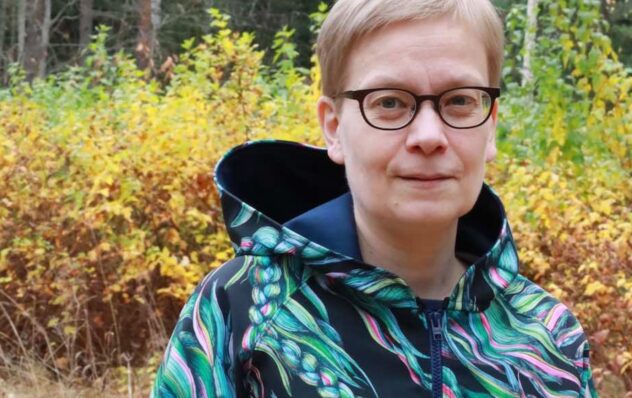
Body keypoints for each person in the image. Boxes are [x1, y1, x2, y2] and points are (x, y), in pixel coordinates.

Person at [151, 0, 597, 396]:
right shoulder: (241, 311)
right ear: (334, 126)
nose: (428, 136)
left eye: (460, 100)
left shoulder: (548, 338)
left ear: (491, 125)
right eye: (389, 103)